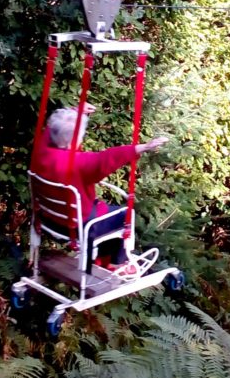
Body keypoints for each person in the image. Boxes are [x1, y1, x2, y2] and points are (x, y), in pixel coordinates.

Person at [32, 103, 167, 269]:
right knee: (124, 214)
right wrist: (143, 147)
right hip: (77, 228)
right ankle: (117, 264)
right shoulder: (78, 163)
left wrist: (75, 112)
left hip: (49, 221)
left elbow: (51, 130)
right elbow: (107, 158)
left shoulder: (41, 150)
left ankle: (101, 259)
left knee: (108, 213)